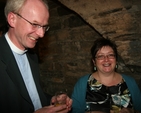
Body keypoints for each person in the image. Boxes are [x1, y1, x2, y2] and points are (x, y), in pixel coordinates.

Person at [0, 0, 72, 113]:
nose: (41, 34)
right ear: (12, 19)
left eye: (44, 27)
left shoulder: (32, 56)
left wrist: (52, 101)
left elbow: (31, 98)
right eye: (35, 24)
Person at [71, 38, 141, 113]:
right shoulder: (82, 83)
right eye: (100, 56)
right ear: (94, 62)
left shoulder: (130, 82)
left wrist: (132, 111)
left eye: (110, 55)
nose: (106, 59)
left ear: (116, 60)